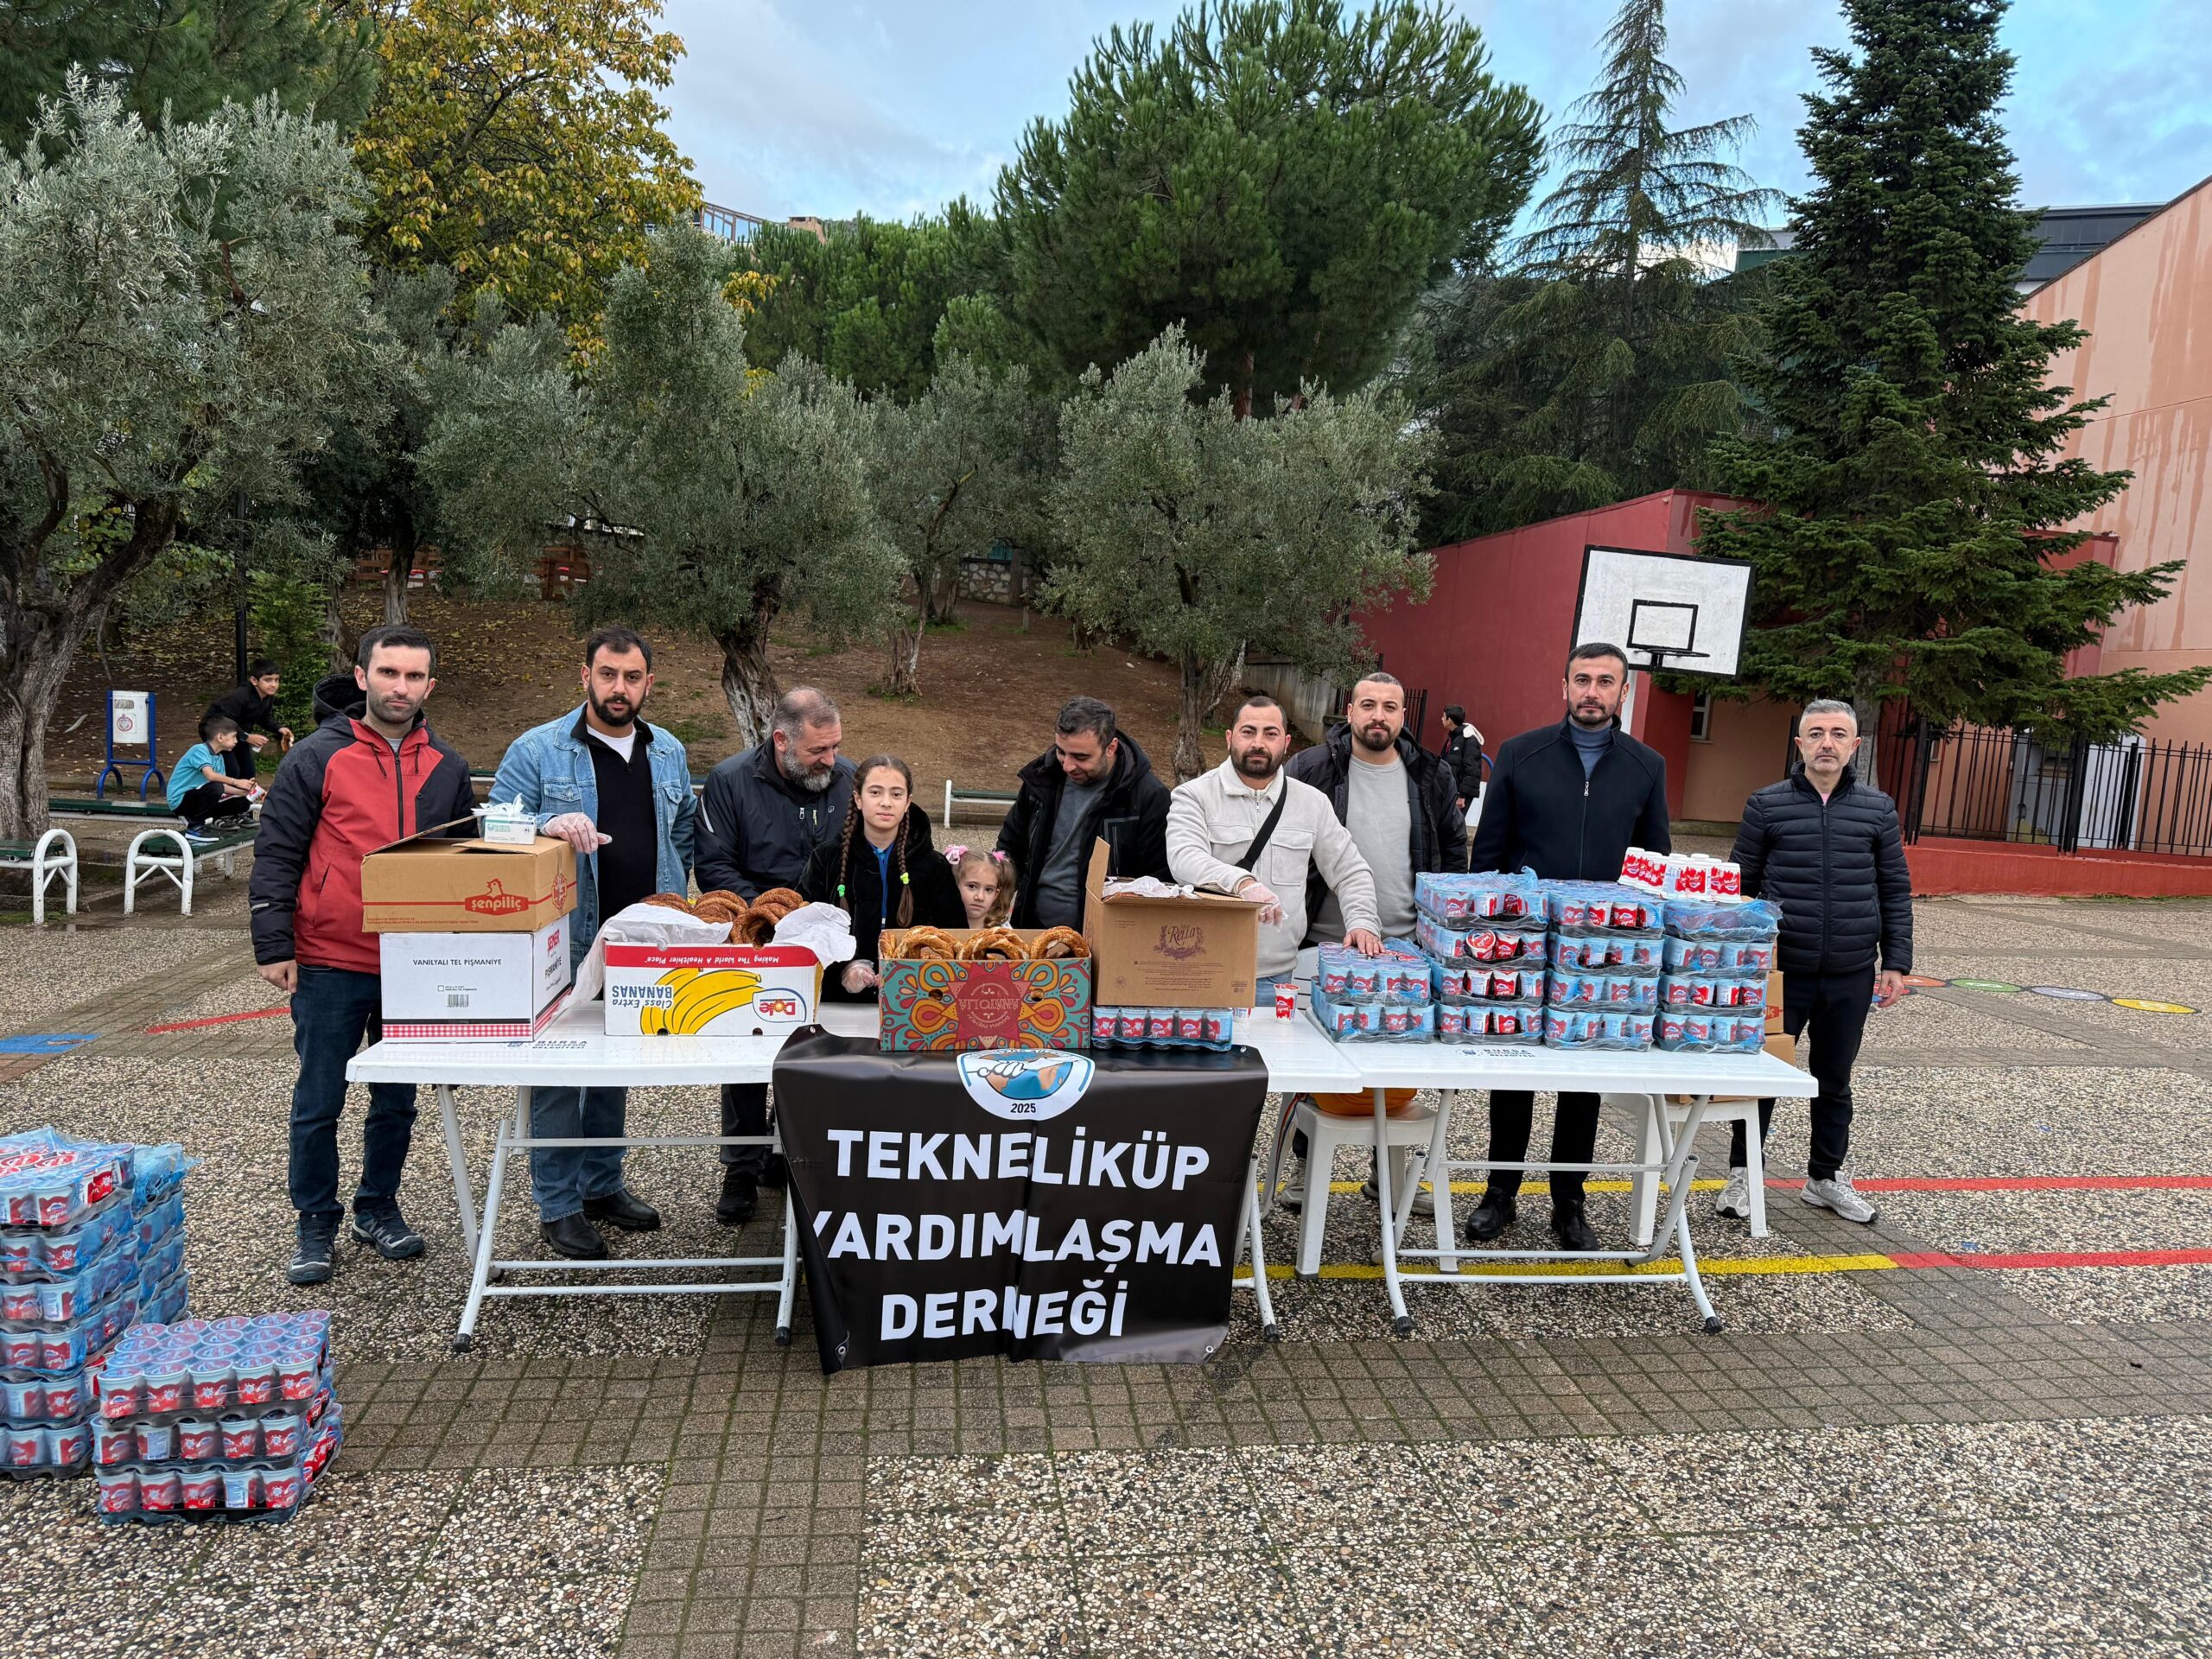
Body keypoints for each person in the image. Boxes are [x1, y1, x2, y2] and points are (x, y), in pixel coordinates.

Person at [251, 626, 475, 1287]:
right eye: (388, 673)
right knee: (319, 1100)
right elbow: (278, 852)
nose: (400, 687)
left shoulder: (449, 766)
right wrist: (274, 941)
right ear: (361, 676)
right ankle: (315, 1219)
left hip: (413, 964)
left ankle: (377, 1206)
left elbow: (463, 862)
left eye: (414, 676)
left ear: (430, 685)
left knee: (396, 1100)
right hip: (329, 958)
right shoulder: (315, 757)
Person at [492, 627, 697, 1262]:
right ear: (585, 676)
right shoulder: (538, 749)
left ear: (648, 684)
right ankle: (559, 1205)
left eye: (632, 678)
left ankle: (603, 1185)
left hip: (639, 941)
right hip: (564, 939)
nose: (619, 688)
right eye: (607, 674)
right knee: (557, 1075)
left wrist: (669, 904)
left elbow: (683, 832)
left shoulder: (668, 751)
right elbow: (495, 828)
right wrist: (546, 823)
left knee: (613, 1066)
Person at [1464, 642, 1672, 1253]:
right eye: (1582, 679)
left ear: (1623, 692)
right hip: (1526, 946)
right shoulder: (1519, 753)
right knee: (1515, 1073)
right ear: (1564, 686)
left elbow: (1653, 864)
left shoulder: (1646, 765)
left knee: (1584, 1079)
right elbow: (1489, 855)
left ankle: (1569, 1202)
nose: (1592, 691)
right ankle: (1499, 1192)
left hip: (1603, 954)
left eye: (1605, 681)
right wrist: (1489, 938)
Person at [1721, 698, 1913, 1226]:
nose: (1826, 743)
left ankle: (1825, 1177)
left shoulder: (1878, 809)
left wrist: (1895, 961)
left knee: (1834, 1080)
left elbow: (1894, 888)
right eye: (1816, 733)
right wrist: (1738, 959)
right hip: (1782, 972)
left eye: (1838, 734)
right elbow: (1740, 886)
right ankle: (1743, 1173)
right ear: (1800, 743)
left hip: (1850, 971)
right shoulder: (1767, 804)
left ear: (1855, 746)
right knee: (1763, 1076)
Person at [1281, 672, 1468, 1211]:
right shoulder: (1311, 767)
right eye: (1368, 705)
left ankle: (1388, 1175)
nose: (1378, 716)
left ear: (1403, 715)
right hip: (1322, 942)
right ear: (1350, 710)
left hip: (1405, 947)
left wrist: (1446, 930)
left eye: (1389, 706)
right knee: (1313, 1067)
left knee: (1398, 1066)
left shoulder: (1431, 773)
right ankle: (1305, 1167)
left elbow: (1453, 853)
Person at [695, 687, 855, 1224]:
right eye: (819, 751)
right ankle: (741, 1165)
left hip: (830, 942)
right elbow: (714, 867)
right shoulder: (729, 781)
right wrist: (776, 918)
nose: (831, 760)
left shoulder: (848, 779)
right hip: (756, 940)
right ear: (782, 740)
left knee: (819, 1050)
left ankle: (793, 1153)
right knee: (746, 1051)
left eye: (835, 747)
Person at [1166, 695, 1383, 1003]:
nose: (1258, 743)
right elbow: (1184, 858)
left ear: (1286, 742)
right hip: (1203, 972)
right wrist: (1242, 884)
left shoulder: (1312, 803)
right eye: (1248, 732)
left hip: (1277, 979)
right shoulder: (1194, 795)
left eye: (1270, 734)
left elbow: (1350, 870)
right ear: (1229, 738)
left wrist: (1362, 922)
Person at [996, 696, 1171, 929]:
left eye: (1081, 757)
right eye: (1061, 752)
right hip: (1031, 930)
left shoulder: (1150, 798)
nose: (1067, 766)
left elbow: (1157, 885)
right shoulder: (1041, 778)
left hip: (1105, 939)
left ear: (1111, 748)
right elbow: (1010, 849)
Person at [804, 755, 965, 1000]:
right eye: (875, 792)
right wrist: (842, 972)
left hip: (915, 1003)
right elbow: (805, 933)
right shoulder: (826, 859)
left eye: (896, 794)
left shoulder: (934, 866)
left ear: (908, 802)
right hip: (840, 1005)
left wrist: (913, 973)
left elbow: (953, 939)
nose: (886, 803)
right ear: (858, 798)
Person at [204, 658, 295, 785]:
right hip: (217, 733)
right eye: (268, 680)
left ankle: (242, 795)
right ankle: (222, 794)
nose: (274, 684)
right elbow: (223, 721)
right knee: (232, 770)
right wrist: (246, 737)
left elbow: (265, 718)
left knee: (248, 771)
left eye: (276, 680)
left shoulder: (267, 696)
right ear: (254, 680)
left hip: (237, 734)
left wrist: (279, 728)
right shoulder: (239, 696)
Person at [166, 715, 258, 839]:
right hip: (180, 801)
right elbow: (211, 776)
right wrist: (236, 782)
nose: (236, 741)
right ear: (220, 737)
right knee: (215, 787)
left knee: (242, 802)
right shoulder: (199, 750)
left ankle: (217, 821)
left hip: (198, 798)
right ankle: (195, 827)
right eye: (233, 737)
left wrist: (243, 792)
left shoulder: (219, 758)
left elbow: (223, 787)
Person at [946, 844, 1014, 928]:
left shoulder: (1003, 932)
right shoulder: (936, 927)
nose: (980, 897)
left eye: (988, 890)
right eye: (972, 886)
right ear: (954, 887)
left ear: (995, 895)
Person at [1440, 704, 1485, 814]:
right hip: (1450, 789)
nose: (1441, 719)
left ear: (1449, 720)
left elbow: (1472, 769)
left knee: (1455, 822)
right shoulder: (1453, 737)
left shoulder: (1468, 739)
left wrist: (1462, 795)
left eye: (1444, 716)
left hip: (1460, 793)